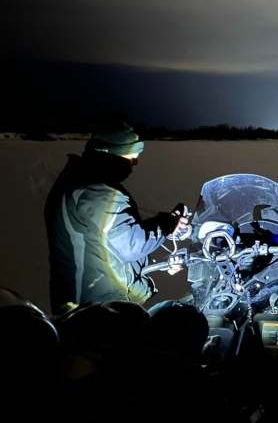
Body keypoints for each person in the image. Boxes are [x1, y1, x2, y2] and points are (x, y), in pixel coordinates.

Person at [44, 122, 188, 315]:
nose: (134, 164)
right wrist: (169, 223)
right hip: (97, 309)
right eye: (131, 158)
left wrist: (168, 227)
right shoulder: (98, 194)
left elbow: (109, 238)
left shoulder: (78, 180)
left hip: (80, 299)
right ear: (111, 154)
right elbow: (132, 244)